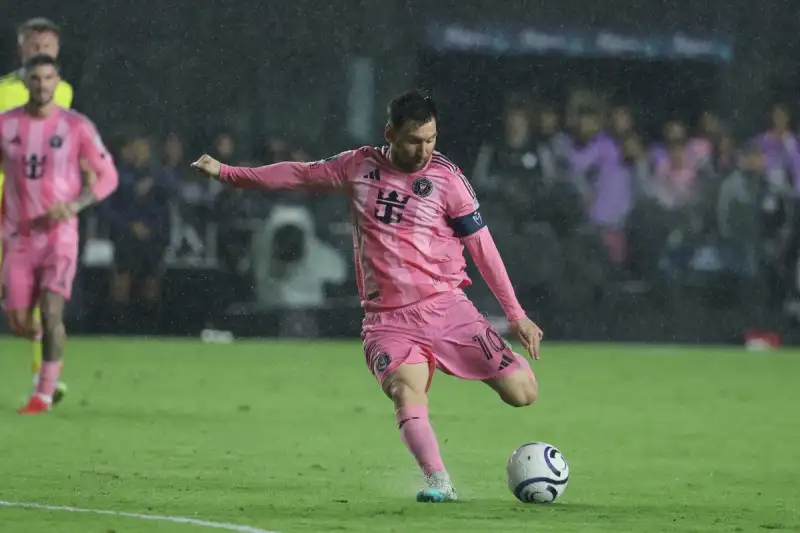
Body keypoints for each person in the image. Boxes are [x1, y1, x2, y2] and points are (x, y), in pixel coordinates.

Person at [191, 90, 543, 502]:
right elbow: (298, 174)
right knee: (405, 390)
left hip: (447, 307)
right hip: (387, 319)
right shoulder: (357, 167)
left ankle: (494, 350)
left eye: (431, 139)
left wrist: (515, 314)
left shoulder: (448, 180)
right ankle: (439, 482)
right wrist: (228, 173)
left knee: (523, 394)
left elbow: (483, 247)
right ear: (390, 133)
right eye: (414, 140)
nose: (424, 149)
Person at [0, 54, 118, 414]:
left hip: (59, 237)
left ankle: (44, 393)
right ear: (25, 83)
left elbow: (107, 176)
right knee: (20, 322)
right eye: (35, 79)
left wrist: (74, 205)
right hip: (17, 238)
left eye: (48, 78)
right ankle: (50, 342)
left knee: (52, 311)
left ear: (58, 81)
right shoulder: (6, 125)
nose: (42, 85)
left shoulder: (76, 126)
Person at [0, 17, 74, 402]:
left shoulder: (64, 93)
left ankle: (42, 377)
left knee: (40, 298)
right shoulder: (2, 91)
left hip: (35, 213)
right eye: (34, 45)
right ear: (21, 48)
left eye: (47, 44)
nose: (40, 50)